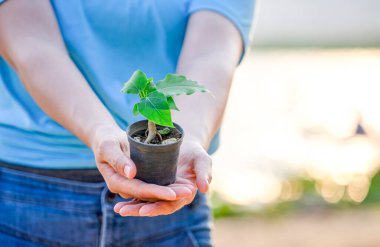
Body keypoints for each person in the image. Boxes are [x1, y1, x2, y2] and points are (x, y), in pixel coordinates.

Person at [0, 0, 255, 246]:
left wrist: (189, 140)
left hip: (170, 195)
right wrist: (100, 132)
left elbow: (212, 52)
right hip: (26, 194)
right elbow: (32, 45)